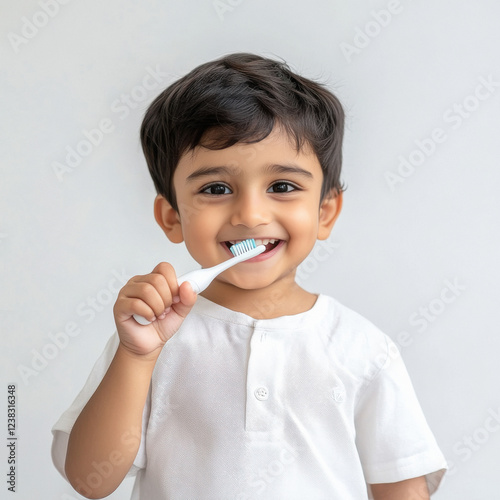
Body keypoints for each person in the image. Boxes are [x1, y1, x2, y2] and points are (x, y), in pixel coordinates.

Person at [52, 53, 447, 499]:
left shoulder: (362, 347)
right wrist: (137, 358)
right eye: (216, 189)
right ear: (171, 216)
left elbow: (400, 485)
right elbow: (90, 479)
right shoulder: (151, 341)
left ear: (325, 212)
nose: (251, 215)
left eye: (282, 187)